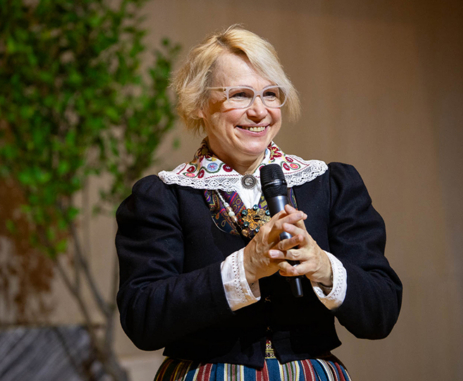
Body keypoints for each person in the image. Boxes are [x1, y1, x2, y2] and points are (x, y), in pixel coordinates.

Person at [115, 25, 402, 381]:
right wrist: (245, 268)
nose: (259, 111)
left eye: (270, 94)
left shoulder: (329, 184)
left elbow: (381, 313)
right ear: (199, 104)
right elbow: (142, 318)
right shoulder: (164, 196)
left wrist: (323, 266)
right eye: (240, 95)